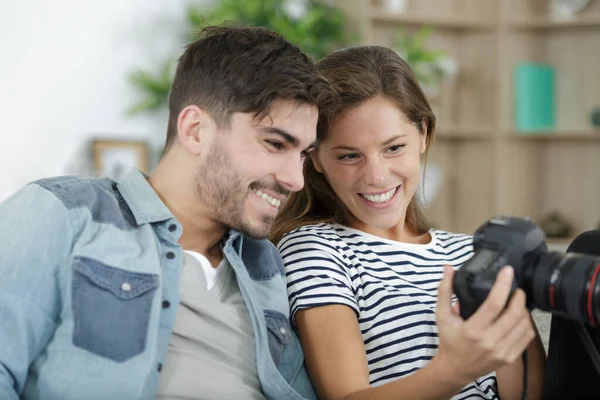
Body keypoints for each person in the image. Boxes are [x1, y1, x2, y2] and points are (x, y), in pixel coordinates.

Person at [0, 25, 334, 400]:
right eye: (275, 144)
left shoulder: (266, 265)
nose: (295, 180)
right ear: (194, 130)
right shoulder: (64, 213)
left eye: (303, 154)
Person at [271, 45, 546, 400]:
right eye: (349, 156)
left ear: (424, 135)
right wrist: (453, 370)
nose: (376, 176)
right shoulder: (317, 248)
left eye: (393, 148)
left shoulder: (472, 251)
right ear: (316, 159)